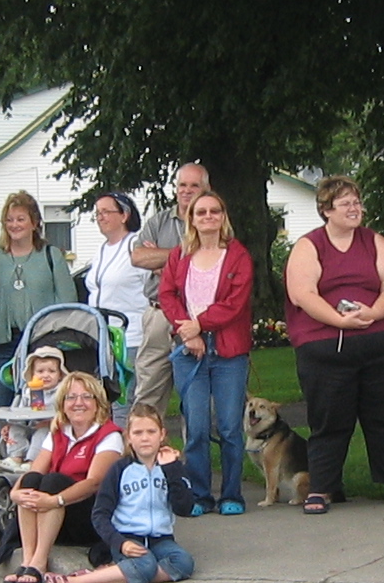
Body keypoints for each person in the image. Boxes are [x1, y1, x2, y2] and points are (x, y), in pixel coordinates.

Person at [284, 176, 384, 513]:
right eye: (345, 203)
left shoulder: (375, 242)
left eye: (357, 202)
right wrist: (338, 320)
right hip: (326, 347)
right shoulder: (309, 246)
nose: (354, 208)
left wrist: (374, 312)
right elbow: (302, 293)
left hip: (381, 345)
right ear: (326, 210)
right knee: (329, 419)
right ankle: (322, 488)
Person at [162, 188, 256, 516]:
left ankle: (232, 494)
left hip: (229, 350)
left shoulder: (238, 256)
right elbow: (167, 294)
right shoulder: (179, 255)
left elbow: (234, 303)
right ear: (191, 218)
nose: (208, 217)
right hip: (190, 351)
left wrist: (199, 324)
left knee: (229, 427)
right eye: (201, 212)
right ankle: (200, 494)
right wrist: (187, 333)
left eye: (214, 211)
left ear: (223, 216)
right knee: (196, 427)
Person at [44, 404, 200, 583]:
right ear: (128, 437)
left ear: (162, 434)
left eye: (151, 432)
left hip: (161, 539)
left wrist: (172, 470)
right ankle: (75, 582)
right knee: (145, 564)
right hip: (127, 537)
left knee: (184, 562)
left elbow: (185, 508)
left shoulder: (172, 468)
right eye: (138, 433)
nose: (145, 438)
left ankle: (108, 576)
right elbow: (100, 514)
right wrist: (120, 543)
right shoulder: (119, 469)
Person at [4, 370, 125, 583]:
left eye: (86, 397)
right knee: (33, 479)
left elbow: (94, 482)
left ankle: (39, 562)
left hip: (88, 516)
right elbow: (34, 471)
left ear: (98, 404)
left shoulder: (109, 435)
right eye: (71, 397)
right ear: (63, 404)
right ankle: (28, 560)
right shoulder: (59, 432)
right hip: (55, 514)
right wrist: (15, 493)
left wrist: (55, 500)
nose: (78, 403)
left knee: (54, 482)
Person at [128, 161, 208, 413]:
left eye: (194, 185)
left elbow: (209, 268)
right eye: (182, 185)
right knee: (148, 391)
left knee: (194, 396)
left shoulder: (211, 223)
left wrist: (162, 263)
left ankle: (192, 442)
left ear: (205, 189)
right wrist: (183, 256)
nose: (186, 190)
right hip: (159, 315)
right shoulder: (159, 221)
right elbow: (138, 257)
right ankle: (144, 438)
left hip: (196, 319)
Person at [0, 190, 78, 353]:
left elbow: (68, 302)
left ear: (34, 223)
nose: (14, 225)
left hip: (44, 341)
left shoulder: (51, 255)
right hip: (4, 344)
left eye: (20, 219)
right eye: (9, 220)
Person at [83, 190, 150, 335]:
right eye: (98, 213)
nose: (100, 218)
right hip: (102, 335)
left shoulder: (136, 246)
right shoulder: (101, 250)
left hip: (131, 333)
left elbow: (153, 287)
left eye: (106, 212)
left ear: (124, 215)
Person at [0, 344, 66, 476]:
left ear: (60, 374)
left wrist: (51, 422)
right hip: (30, 426)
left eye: (51, 371)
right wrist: (9, 426)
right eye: (40, 371)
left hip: (53, 429)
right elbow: (20, 413)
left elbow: (67, 415)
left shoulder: (62, 392)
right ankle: (16, 458)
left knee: (42, 432)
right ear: (32, 374)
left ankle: (32, 462)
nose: (46, 375)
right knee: (15, 429)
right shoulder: (28, 391)